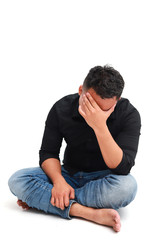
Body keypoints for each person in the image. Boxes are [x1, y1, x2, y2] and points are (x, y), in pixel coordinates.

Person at [8, 65, 141, 232]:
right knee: (17, 180)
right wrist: (59, 182)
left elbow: (123, 167)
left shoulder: (129, 114)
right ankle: (87, 213)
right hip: (67, 175)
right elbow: (48, 153)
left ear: (117, 101)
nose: (95, 112)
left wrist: (99, 126)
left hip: (104, 179)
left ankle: (49, 200)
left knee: (127, 187)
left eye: (103, 109)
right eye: (90, 104)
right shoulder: (61, 108)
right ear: (80, 90)